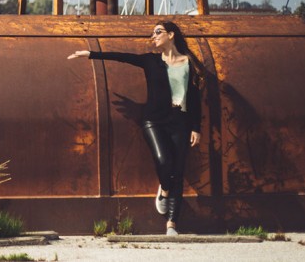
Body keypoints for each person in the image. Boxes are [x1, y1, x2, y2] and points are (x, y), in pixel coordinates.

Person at [67, 20, 203, 235]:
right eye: (152, 33)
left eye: (158, 32)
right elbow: (123, 57)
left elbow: (195, 98)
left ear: (171, 35)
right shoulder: (151, 61)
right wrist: (91, 54)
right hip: (154, 121)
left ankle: (171, 225)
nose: (153, 36)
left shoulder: (189, 63)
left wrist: (196, 127)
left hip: (180, 121)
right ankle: (165, 190)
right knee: (164, 161)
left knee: (178, 170)